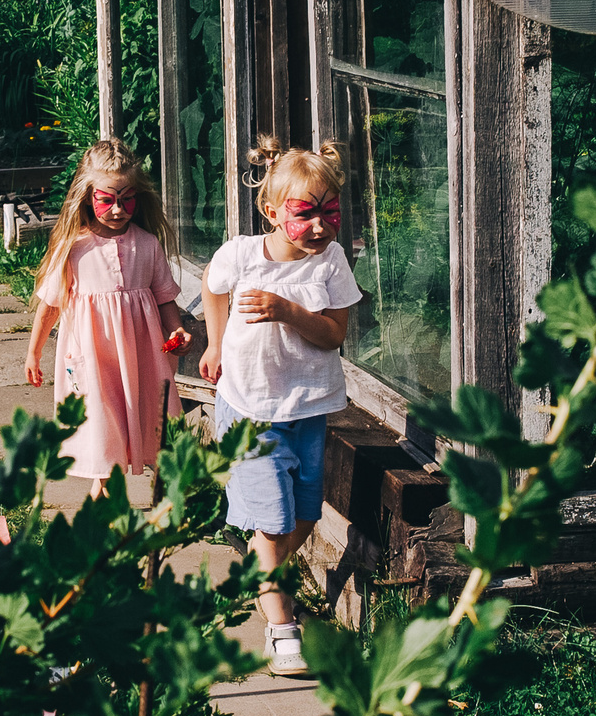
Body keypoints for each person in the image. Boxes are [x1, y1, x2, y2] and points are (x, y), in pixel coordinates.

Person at [199, 136, 360, 677]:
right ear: (272, 211)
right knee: (273, 523)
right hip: (249, 408)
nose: (319, 226)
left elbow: (334, 334)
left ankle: (261, 574)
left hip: (308, 408)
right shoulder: (242, 255)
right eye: (305, 213)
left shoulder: (330, 262)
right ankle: (281, 626)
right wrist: (215, 343)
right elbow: (213, 285)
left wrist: (289, 311)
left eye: (329, 212)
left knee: (306, 515)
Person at [25, 140, 186, 492]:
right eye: (107, 200)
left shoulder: (147, 244)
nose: (118, 209)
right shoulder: (74, 248)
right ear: (87, 197)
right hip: (92, 360)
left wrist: (176, 329)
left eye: (127, 199)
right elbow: (50, 304)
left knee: (144, 422)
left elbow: (164, 298)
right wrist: (34, 352)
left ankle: (108, 515)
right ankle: (105, 509)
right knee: (101, 431)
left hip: (140, 357)